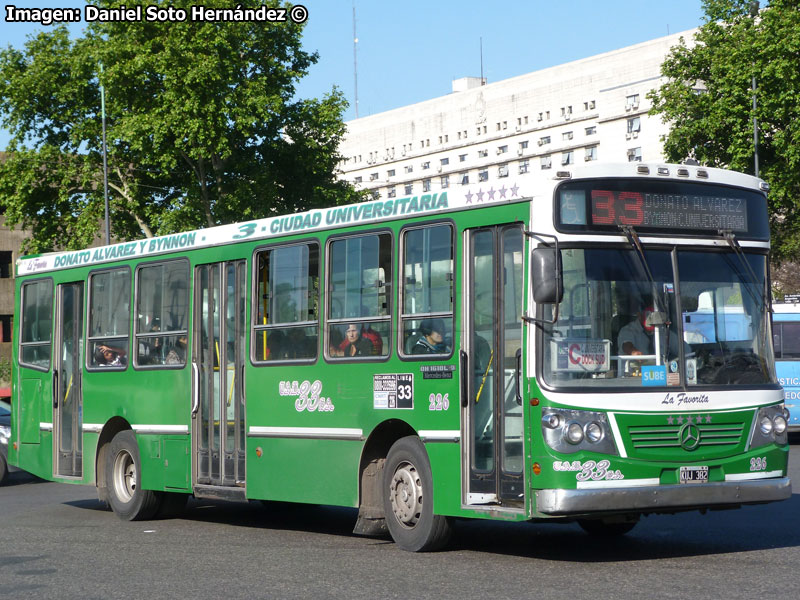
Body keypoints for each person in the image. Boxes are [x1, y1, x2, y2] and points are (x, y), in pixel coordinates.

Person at [617, 304, 682, 363]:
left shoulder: (663, 332)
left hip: (661, 373)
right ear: (639, 315)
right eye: (648, 315)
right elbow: (626, 345)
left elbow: (685, 350)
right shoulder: (628, 330)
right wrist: (633, 352)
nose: (653, 319)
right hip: (633, 374)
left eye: (655, 316)